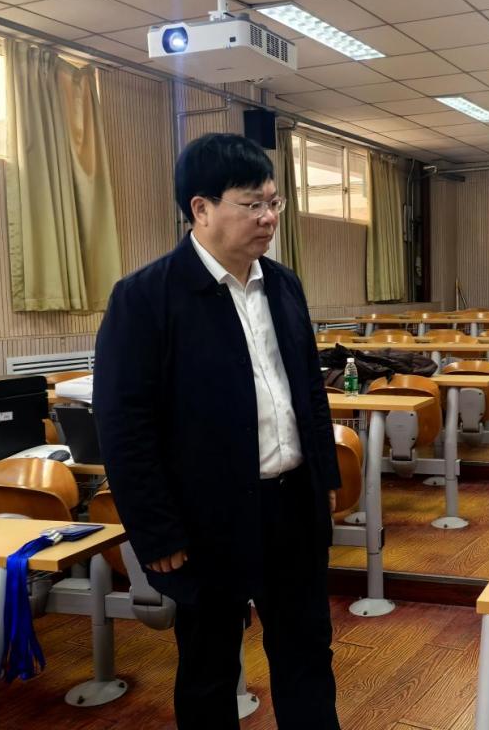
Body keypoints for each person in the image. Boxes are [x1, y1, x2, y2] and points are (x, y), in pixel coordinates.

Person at [92, 133, 341, 730]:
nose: (269, 218)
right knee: (208, 668)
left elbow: (308, 389)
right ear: (200, 209)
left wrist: (325, 477)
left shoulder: (283, 284)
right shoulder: (145, 298)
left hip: (292, 506)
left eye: (274, 203)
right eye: (252, 204)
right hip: (206, 519)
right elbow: (124, 427)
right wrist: (156, 531)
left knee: (307, 652)